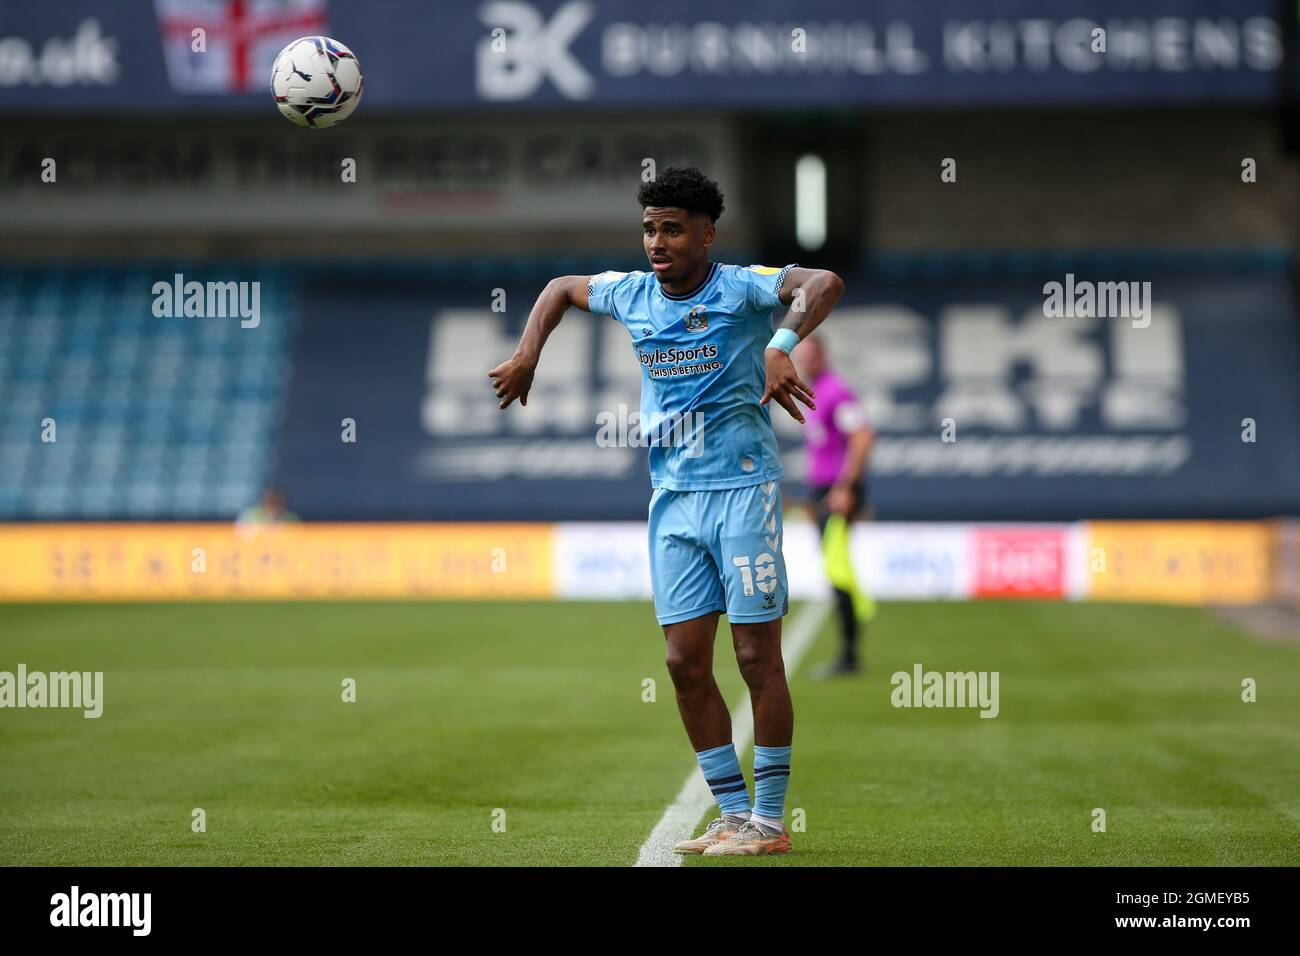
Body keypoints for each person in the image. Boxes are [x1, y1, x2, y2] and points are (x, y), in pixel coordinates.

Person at [489, 166, 844, 856]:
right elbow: (562, 288)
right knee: (684, 661)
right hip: (673, 500)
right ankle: (734, 814)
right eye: (650, 228)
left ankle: (768, 823)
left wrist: (779, 344)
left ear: (707, 234)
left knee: (754, 654)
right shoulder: (632, 294)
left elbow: (823, 282)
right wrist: (528, 352)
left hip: (742, 491)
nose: (657, 241)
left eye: (673, 229)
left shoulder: (741, 286)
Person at [792, 335, 876, 677]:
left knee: (838, 570)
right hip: (822, 491)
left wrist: (846, 487)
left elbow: (863, 436)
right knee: (834, 568)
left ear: (823, 355)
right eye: (801, 357)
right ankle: (849, 652)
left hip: (836, 492)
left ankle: (850, 655)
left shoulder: (834, 391)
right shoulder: (815, 393)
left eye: (810, 356)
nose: (804, 363)